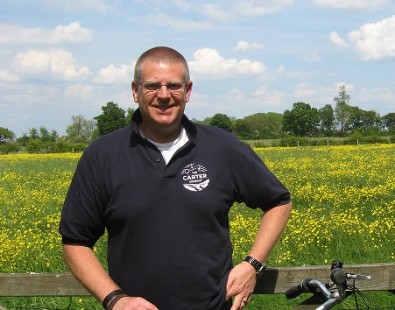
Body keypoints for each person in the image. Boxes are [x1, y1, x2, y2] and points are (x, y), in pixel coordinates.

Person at [59, 46, 292, 310]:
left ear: (188, 91)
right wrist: (115, 299)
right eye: (152, 86)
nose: (163, 95)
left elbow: (279, 202)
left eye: (173, 86)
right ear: (135, 91)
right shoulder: (102, 156)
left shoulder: (222, 148)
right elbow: (75, 243)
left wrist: (253, 264)